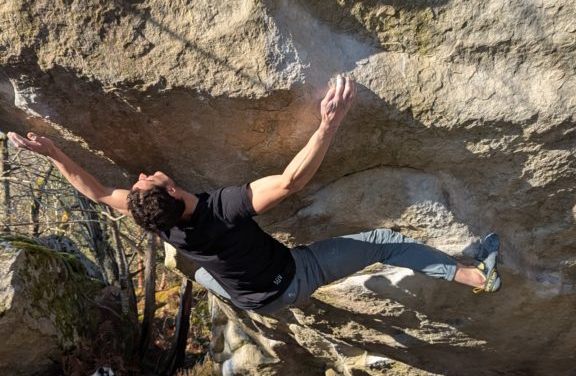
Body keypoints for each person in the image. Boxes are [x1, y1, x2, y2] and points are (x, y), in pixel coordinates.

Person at [8, 75, 501, 313]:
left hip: (243, 297)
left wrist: (52, 152)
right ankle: (477, 276)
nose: (139, 177)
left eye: (138, 183)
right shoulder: (225, 208)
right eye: (144, 180)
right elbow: (290, 181)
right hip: (288, 280)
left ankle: (228, 289)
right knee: (384, 241)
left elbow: (94, 193)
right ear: (174, 189)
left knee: (199, 270)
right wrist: (329, 123)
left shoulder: (159, 220)